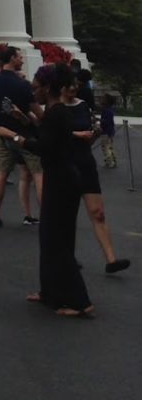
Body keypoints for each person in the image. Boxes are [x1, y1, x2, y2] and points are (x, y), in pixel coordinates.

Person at [25, 66, 94, 317]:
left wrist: (16, 138)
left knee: (57, 240)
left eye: (36, 88)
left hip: (61, 180)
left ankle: (79, 301)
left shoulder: (56, 113)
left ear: (47, 88)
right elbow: (48, 137)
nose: (35, 93)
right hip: (62, 178)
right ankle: (50, 292)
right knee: (51, 237)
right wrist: (30, 122)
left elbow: (45, 147)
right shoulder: (56, 113)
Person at [68, 84, 130, 275]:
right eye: (69, 83)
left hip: (86, 164)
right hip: (65, 165)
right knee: (67, 216)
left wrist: (93, 134)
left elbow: (92, 136)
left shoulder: (83, 105)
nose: (73, 87)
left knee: (98, 212)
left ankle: (111, 260)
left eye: (74, 83)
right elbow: (52, 134)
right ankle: (66, 256)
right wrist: (77, 134)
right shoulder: (55, 109)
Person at [0, 45, 43, 227]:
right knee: (38, 174)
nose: (22, 60)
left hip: (3, 133)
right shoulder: (22, 85)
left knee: (2, 173)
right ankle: (45, 215)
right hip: (26, 136)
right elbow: (37, 111)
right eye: (19, 57)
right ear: (11, 58)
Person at [99, 94, 118, 170]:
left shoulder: (106, 110)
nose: (101, 100)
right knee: (110, 147)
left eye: (103, 98)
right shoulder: (110, 109)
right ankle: (113, 161)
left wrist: (98, 120)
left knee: (105, 148)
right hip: (110, 131)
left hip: (106, 132)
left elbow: (106, 122)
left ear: (107, 101)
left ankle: (110, 162)